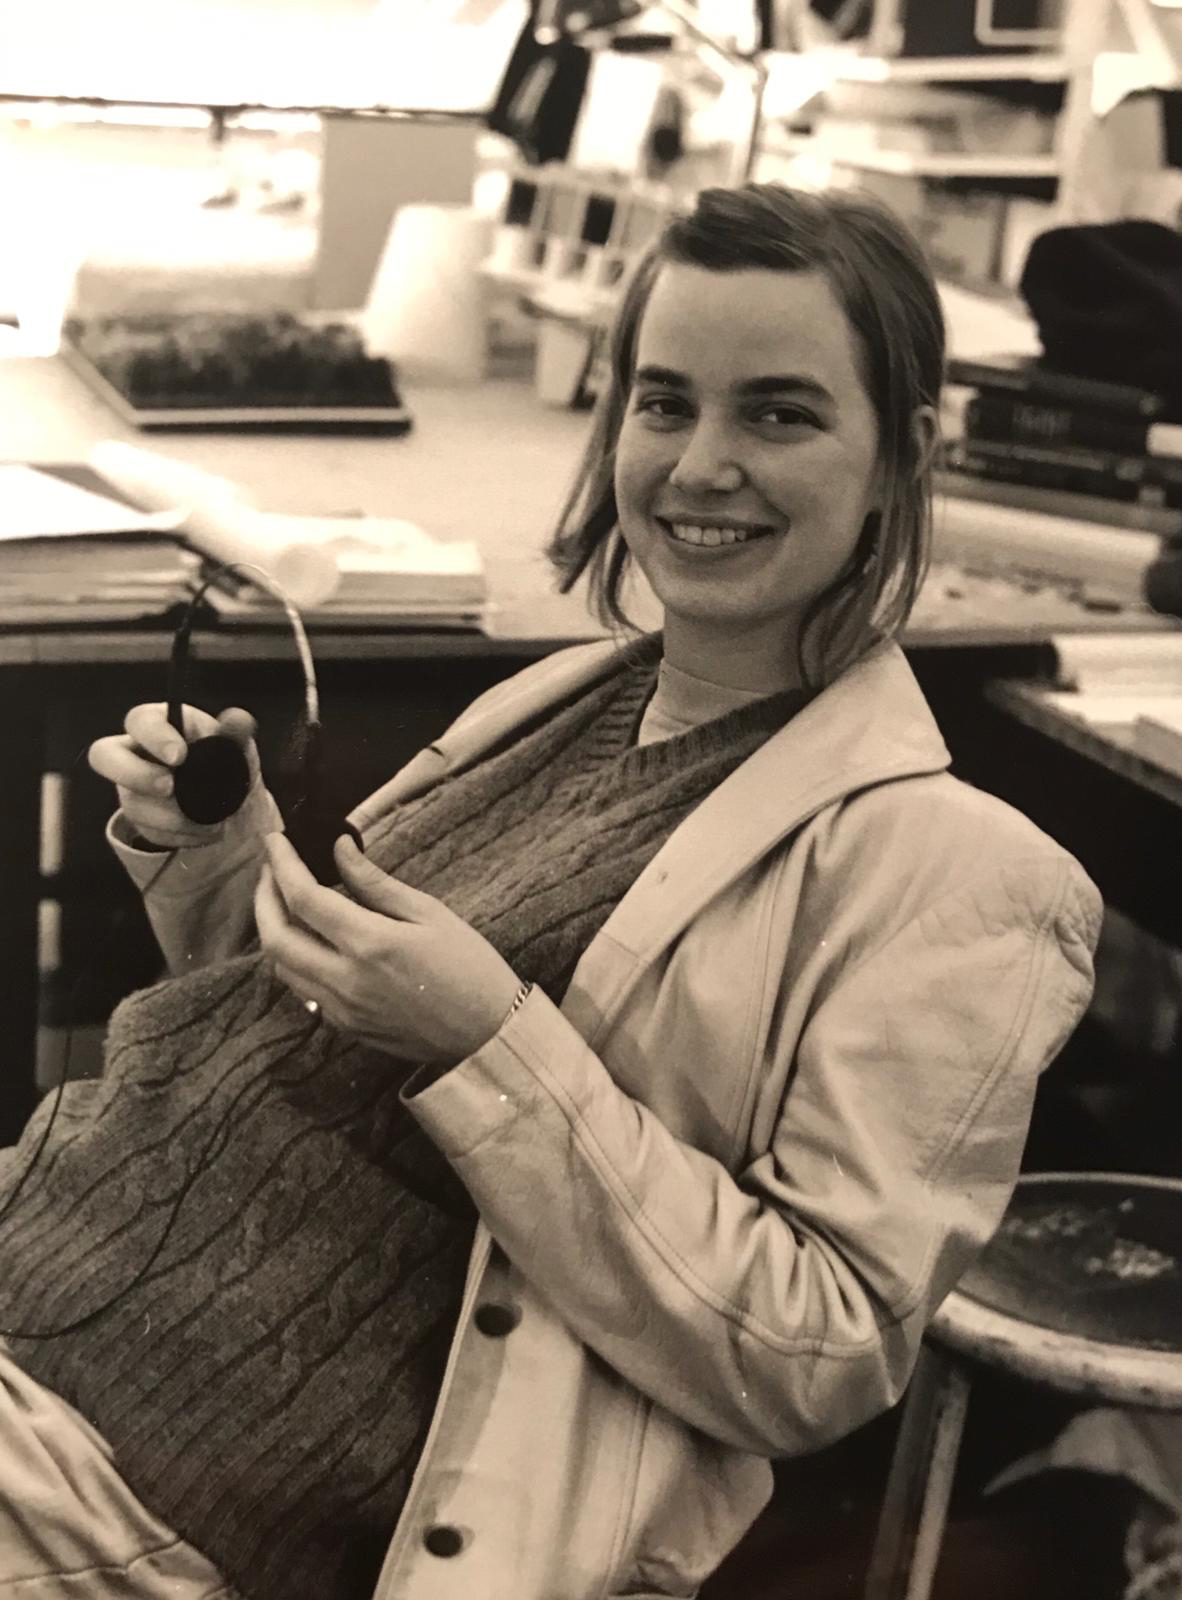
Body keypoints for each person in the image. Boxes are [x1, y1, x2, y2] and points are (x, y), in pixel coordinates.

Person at [0, 181, 1102, 1600]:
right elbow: (313, 1061)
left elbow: (819, 1348)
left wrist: (490, 1042)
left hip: (126, 1497)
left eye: (778, 413)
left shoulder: (963, 878)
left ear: (900, 456)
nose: (700, 463)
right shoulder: (555, 700)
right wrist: (223, 872)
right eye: (662, 403)